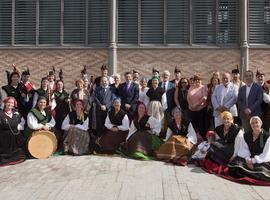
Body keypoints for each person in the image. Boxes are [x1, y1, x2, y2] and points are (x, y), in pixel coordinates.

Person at [228, 116, 270, 182]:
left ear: (261, 124)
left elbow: (266, 154)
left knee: (262, 170)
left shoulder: (267, 137)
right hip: (248, 156)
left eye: (256, 122)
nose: (255, 125)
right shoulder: (246, 135)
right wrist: (248, 159)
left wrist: (253, 161)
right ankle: (249, 174)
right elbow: (244, 149)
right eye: (252, 123)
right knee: (236, 165)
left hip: (260, 158)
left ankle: (250, 174)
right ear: (250, 125)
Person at [0, 97, 26, 166]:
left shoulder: (16, 113)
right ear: (5, 103)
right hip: (4, 138)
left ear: (14, 104)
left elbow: (23, 121)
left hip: (16, 136)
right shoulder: (1, 114)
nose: (10, 104)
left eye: (12, 103)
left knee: (19, 153)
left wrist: (19, 126)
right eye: (8, 102)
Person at [187, 75, 208, 140]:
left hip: (201, 110)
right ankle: (194, 139)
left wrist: (196, 104)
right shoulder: (191, 87)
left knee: (201, 126)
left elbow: (205, 97)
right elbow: (188, 97)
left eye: (199, 80)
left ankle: (203, 139)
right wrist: (191, 104)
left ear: (201, 80)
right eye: (196, 80)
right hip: (192, 110)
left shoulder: (204, 87)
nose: (197, 81)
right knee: (193, 125)